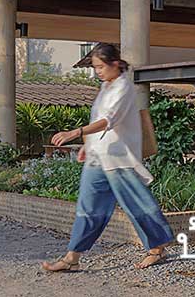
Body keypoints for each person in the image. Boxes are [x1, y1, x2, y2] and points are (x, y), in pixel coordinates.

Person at [41, 43, 174, 273]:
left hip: (119, 158)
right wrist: (88, 146)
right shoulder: (106, 86)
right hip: (98, 157)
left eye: (101, 66)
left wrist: (76, 132)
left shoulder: (124, 88)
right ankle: (72, 256)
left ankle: (157, 248)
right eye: (95, 67)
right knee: (88, 206)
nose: (98, 72)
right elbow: (99, 117)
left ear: (115, 63)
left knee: (136, 203)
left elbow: (108, 120)